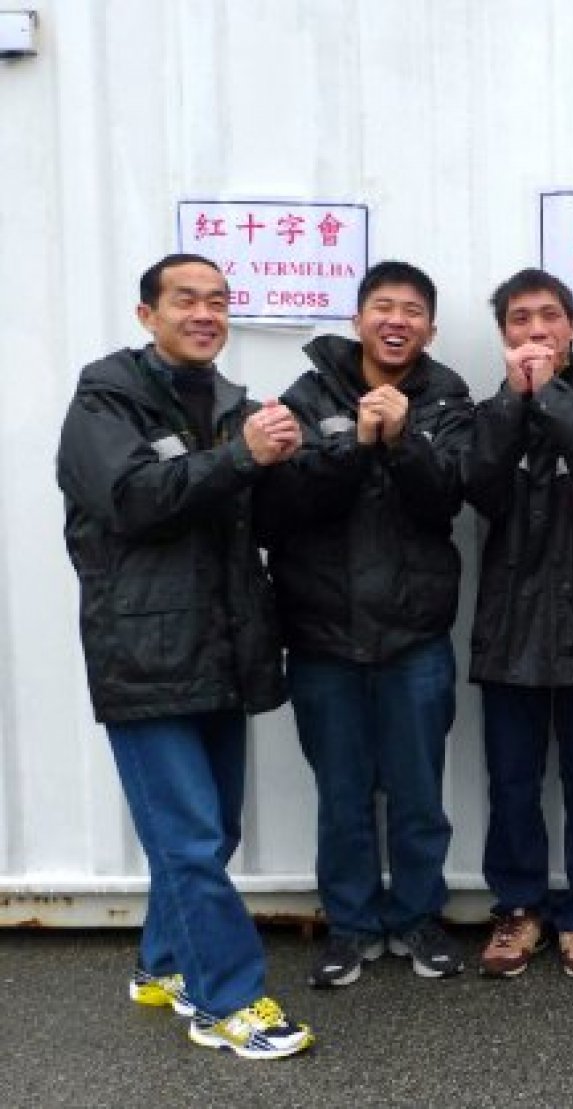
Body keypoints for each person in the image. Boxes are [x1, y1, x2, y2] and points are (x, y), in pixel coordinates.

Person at [56, 254, 313, 1059]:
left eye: (219, 301)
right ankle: (226, 1001)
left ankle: (162, 963)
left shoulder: (233, 405)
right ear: (148, 315)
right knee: (190, 839)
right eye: (186, 299)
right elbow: (133, 498)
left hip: (221, 651)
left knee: (213, 831)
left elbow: (254, 519)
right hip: (144, 653)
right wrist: (244, 456)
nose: (206, 313)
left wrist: (294, 462)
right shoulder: (106, 400)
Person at [259, 261, 475, 987]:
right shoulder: (308, 393)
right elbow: (281, 507)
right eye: (383, 307)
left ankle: (417, 916)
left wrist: (404, 439)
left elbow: (446, 496)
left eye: (412, 310)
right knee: (342, 794)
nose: (397, 321)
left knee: (418, 794)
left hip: (415, 636)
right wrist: (354, 441)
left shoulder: (447, 398)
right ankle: (350, 925)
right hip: (324, 635)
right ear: (357, 320)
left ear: (430, 329)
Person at [463, 269, 573, 979]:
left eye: (548, 317)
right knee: (512, 783)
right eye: (519, 319)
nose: (535, 330)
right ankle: (518, 908)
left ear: (572, 327)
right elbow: (479, 485)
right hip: (509, 635)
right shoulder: (490, 412)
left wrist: (554, 398)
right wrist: (516, 401)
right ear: (503, 333)